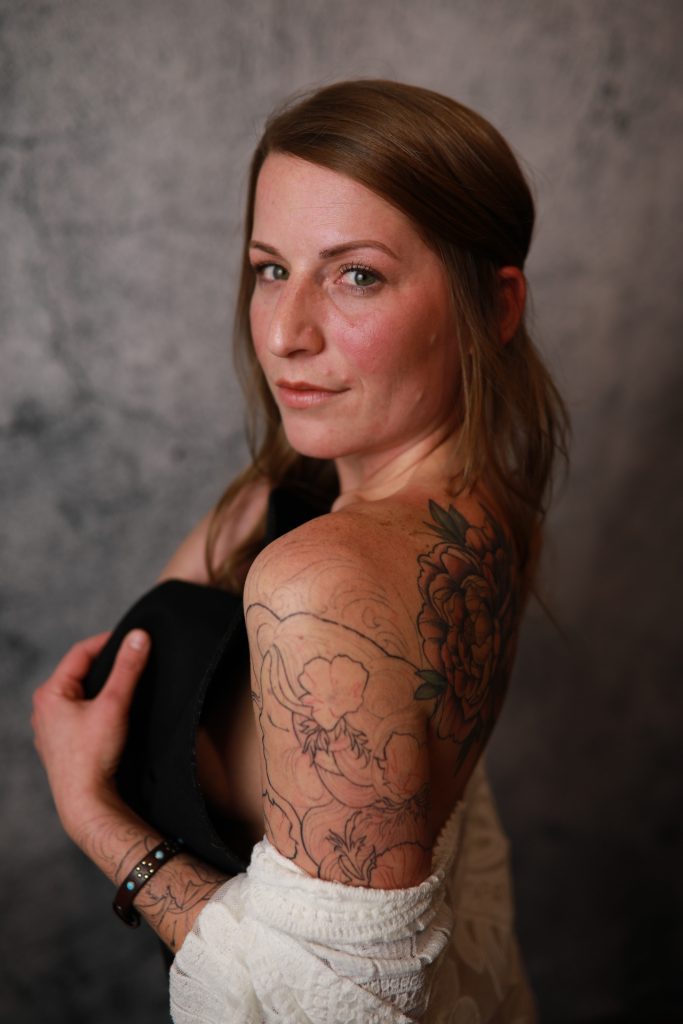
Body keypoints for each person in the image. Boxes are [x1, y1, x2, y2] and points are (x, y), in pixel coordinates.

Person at [32, 79, 568, 1022]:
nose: (285, 333)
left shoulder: (325, 582)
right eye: (269, 268)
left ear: (496, 305)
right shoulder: (454, 499)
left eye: (355, 274)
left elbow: (335, 1008)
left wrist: (97, 821)